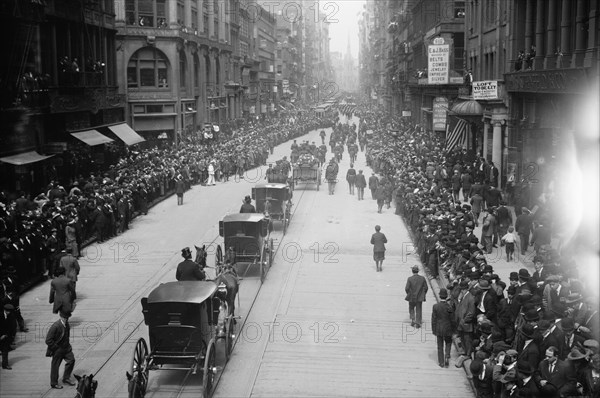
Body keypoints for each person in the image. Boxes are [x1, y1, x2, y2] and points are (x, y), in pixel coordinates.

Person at [45, 311, 76, 388]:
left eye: (67, 318)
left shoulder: (67, 324)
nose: (66, 319)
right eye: (65, 318)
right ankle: (54, 383)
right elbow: (48, 340)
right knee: (55, 366)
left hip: (66, 348)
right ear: (61, 317)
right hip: (57, 350)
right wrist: (56, 348)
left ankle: (66, 378)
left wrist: (68, 346)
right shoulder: (55, 326)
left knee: (71, 360)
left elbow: (67, 336)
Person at [432, 288, 455, 367]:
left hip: (439, 328)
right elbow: (452, 319)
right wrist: (454, 330)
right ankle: (447, 356)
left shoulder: (435, 306)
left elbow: (433, 319)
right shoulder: (449, 307)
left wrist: (434, 330)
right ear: (446, 296)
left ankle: (441, 362)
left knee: (440, 345)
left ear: (439, 296)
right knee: (448, 342)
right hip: (448, 328)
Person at [0, 304, 17, 369]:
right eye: (8, 311)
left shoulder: (11, 316)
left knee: (5, 351)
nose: (9, 313)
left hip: (6, 337)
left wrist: (7, 335)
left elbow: (13, 327)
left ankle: (5, 365)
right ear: (5, 310)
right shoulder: (0, 315)